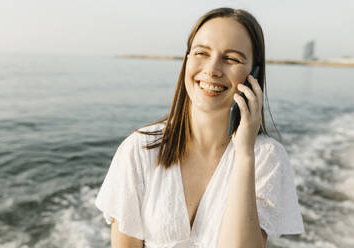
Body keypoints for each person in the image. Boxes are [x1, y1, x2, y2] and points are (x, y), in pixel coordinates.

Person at [95, 7, 305, 248]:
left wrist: (244, 154)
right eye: (201, 53)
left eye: (231, 58)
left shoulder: (267, 157)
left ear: (253, 74)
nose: (212, 69)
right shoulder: (139, 148)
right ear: (187, 59)